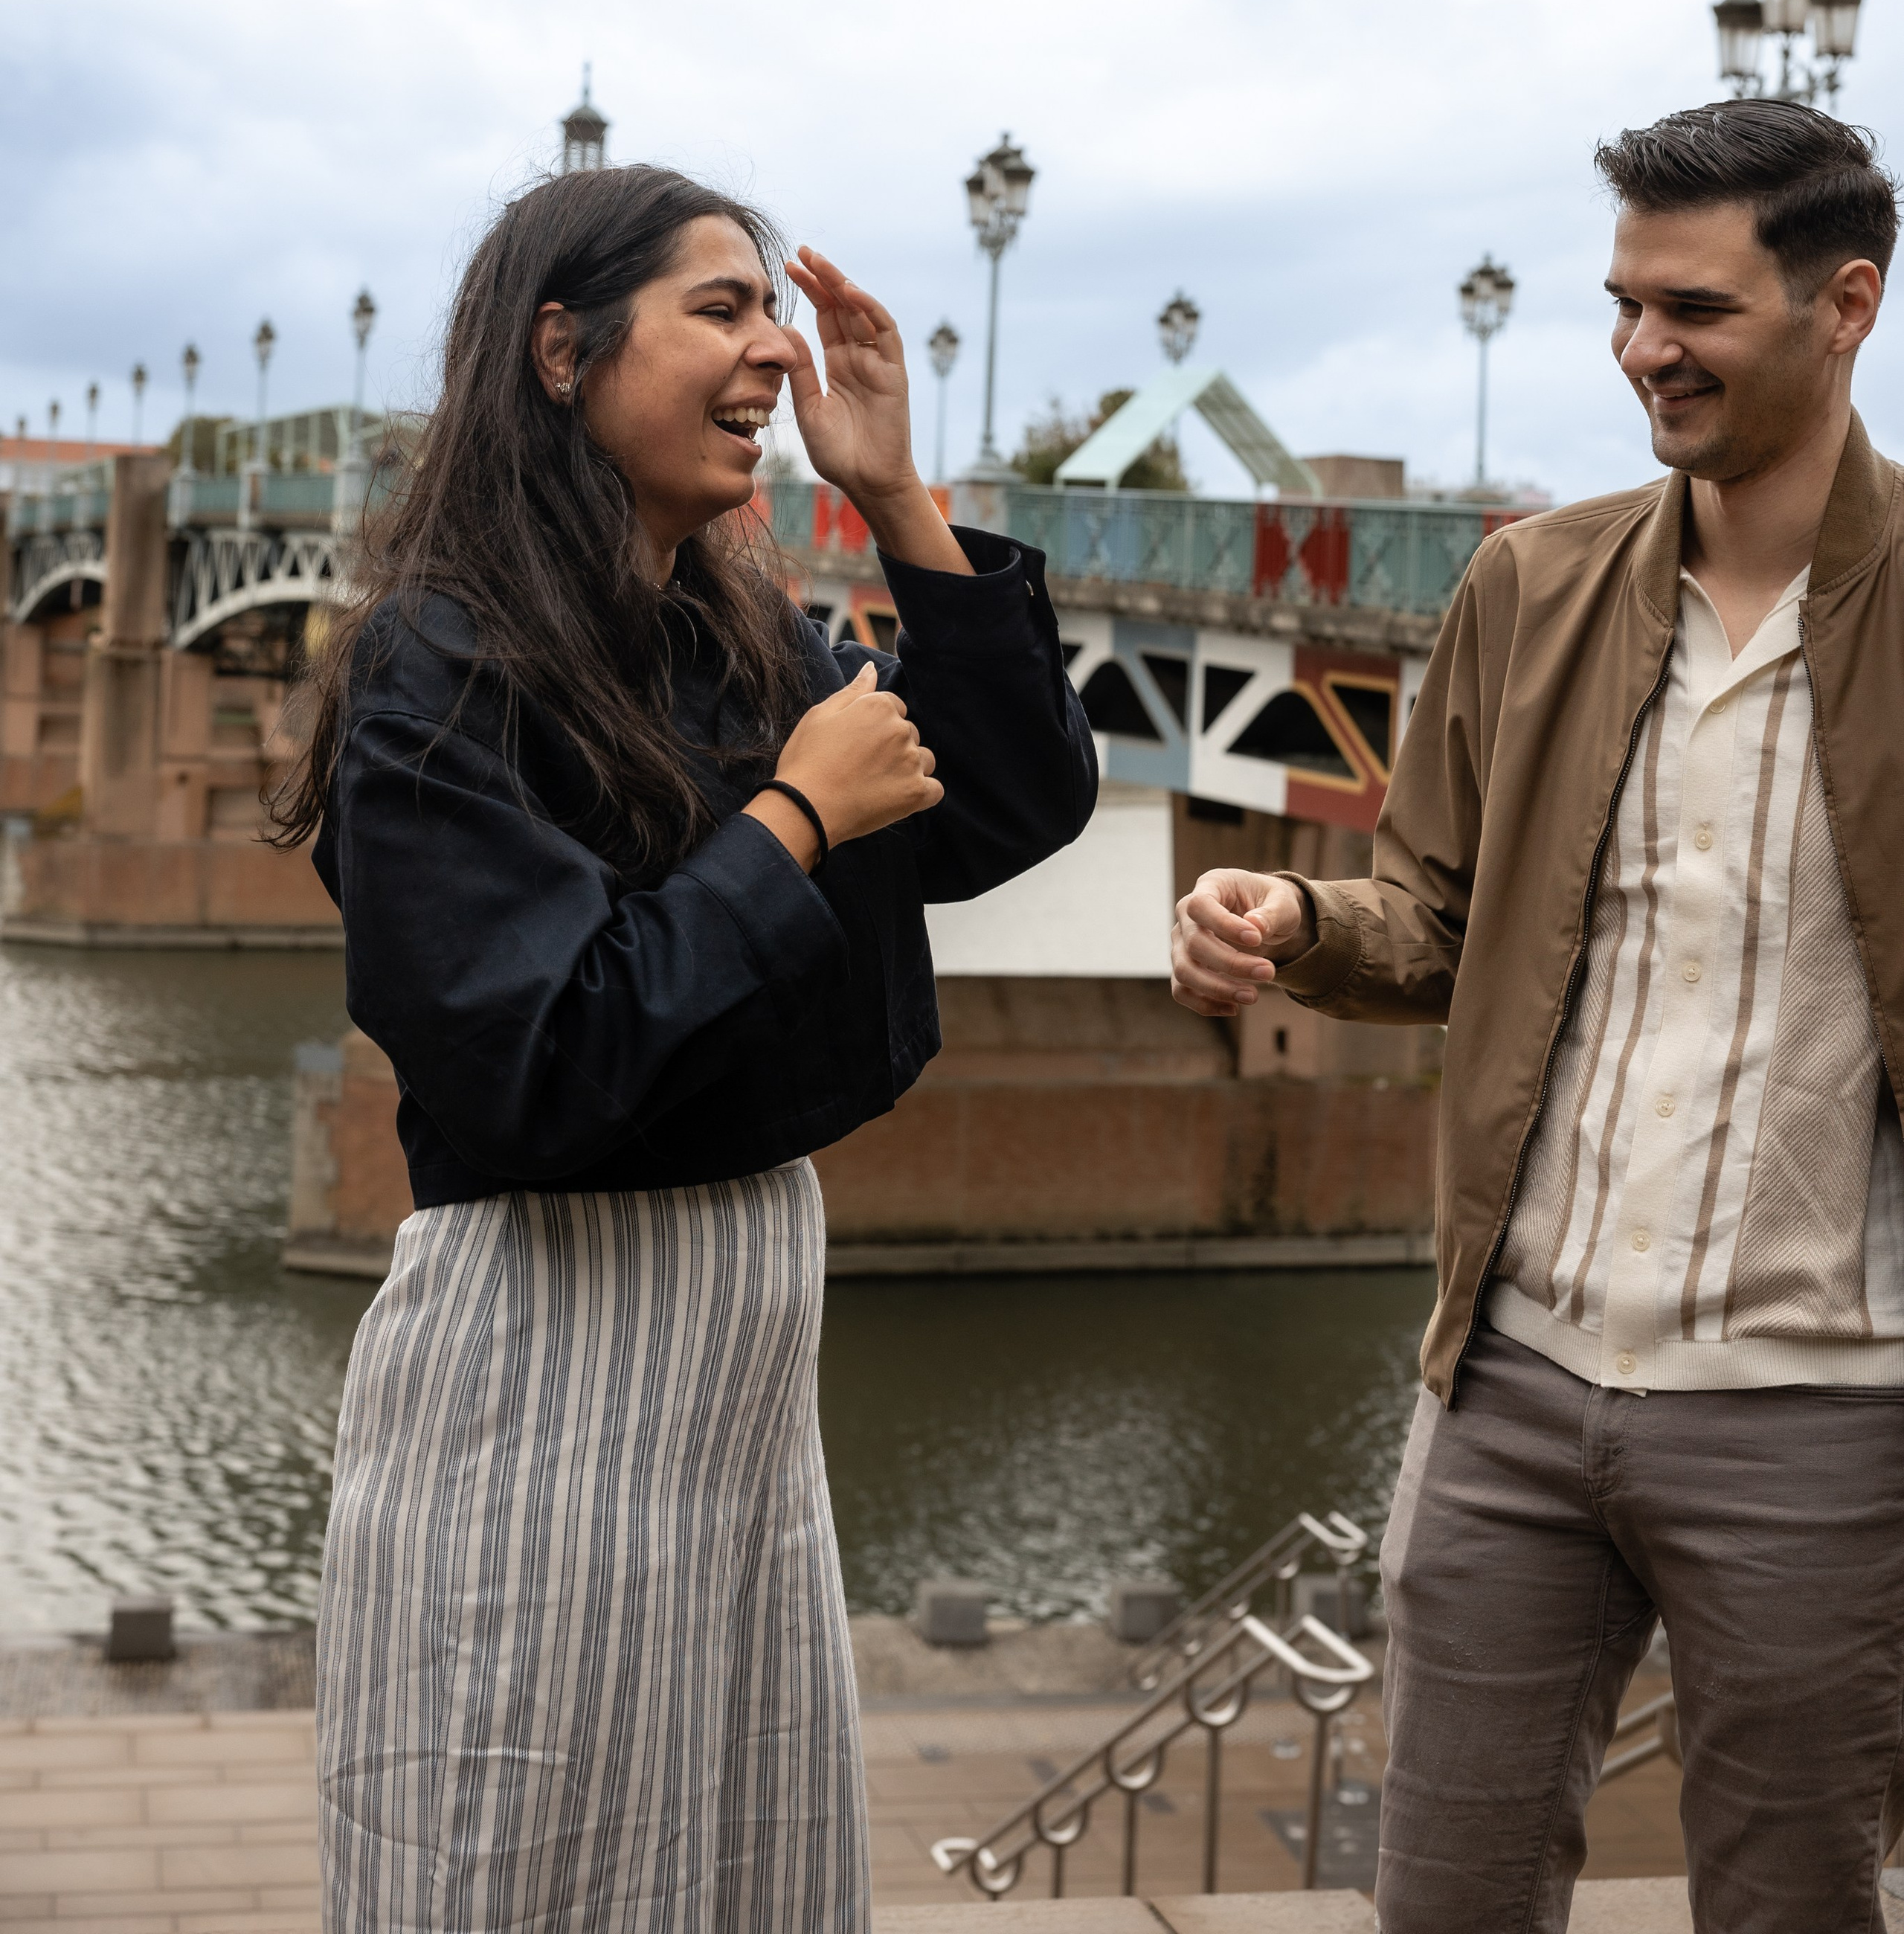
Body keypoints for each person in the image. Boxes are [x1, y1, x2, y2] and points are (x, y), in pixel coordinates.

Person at [271, 161, 1096, 1934]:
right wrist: (796, 815)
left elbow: (1007, 810)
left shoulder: (734, 630)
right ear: (561, 349)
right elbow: (541, 1059)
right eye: (718, 309)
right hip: (543, 1363)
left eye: (768, 308)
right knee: (516, 1870)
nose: (772, 350)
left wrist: (892, 500)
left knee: (736, 1868)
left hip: (733, 1380)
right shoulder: (434, 664)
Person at [1170, 97, 1904, 1934]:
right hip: (1507, 1382)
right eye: (1623, 303)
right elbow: (1428, 911)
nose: (1641, 350)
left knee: (1791, 1902)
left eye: (1697, 311)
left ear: (1845, 307)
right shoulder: (1530, 582)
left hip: (1825, 1410)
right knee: (1447, 1891)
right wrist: (1294, 918)